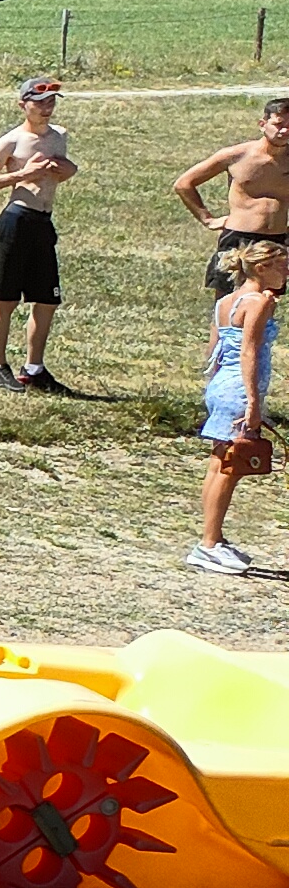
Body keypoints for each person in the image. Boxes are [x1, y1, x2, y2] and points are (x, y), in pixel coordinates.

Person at [0, 79, 77, 390]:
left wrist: (68, 170)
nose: (47, 108)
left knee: (46, 300)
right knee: (6, 298)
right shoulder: (12, 142)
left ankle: (34, 368)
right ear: (23, 105)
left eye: (51, 102)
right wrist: (20, 175)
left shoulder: (59, 137)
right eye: (40, 102)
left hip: (43, 221)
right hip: (15, 221)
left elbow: (63, 172)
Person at [194, 235, 289, 575]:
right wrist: (253, 402)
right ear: (263, 268)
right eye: (283, 266)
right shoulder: (261, 301)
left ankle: (212, 538)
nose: (287, 273)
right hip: (239, 388)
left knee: (218, 464)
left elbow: (214, 348)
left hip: (221, 385)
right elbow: (249, 350)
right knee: (230, 469)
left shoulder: (227, 300)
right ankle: (208, 544)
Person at [176, 96, 289, 290]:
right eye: (279, 124)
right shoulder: (237, 156)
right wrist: (208, 219)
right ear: (262, 124)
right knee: (227, 303)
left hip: (276, 240)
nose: (285, 130)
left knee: (266, 303)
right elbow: (184, 183)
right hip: (239, 239)